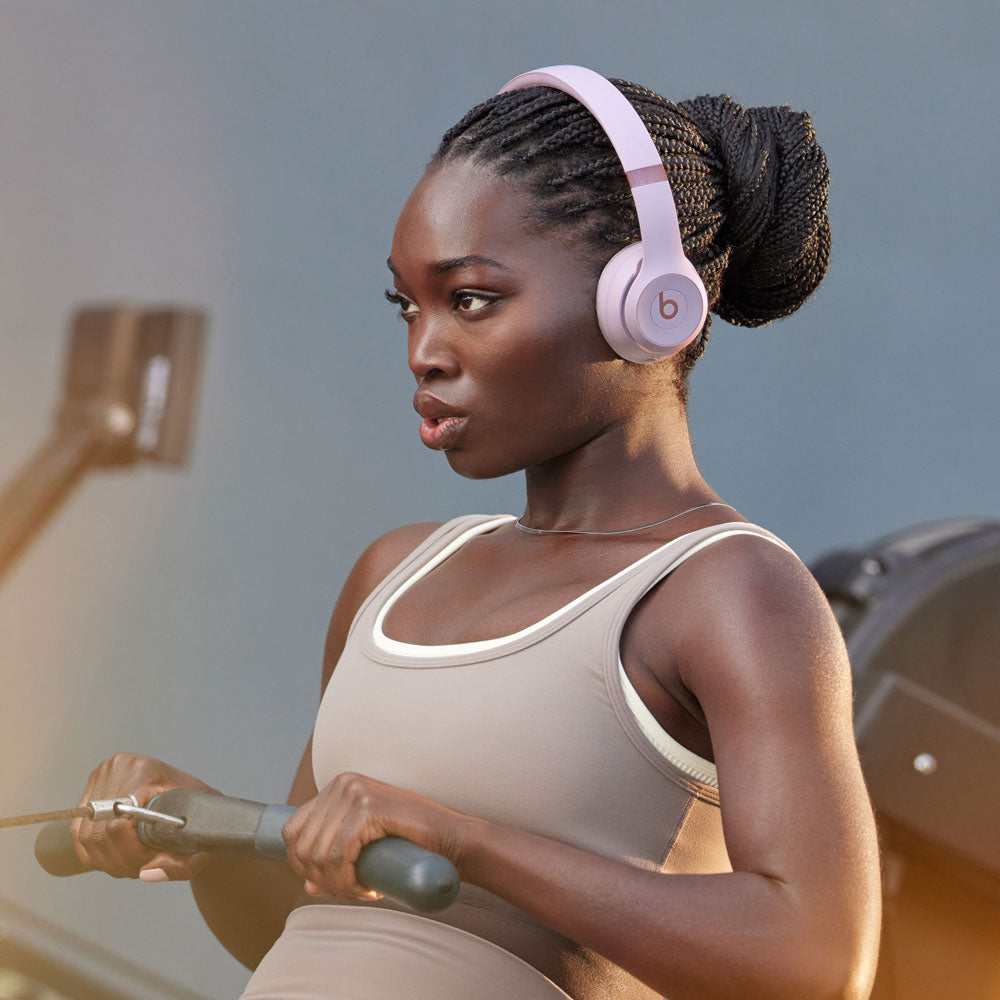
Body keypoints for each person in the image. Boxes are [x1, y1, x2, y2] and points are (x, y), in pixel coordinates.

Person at [71, 67, 882, 1000]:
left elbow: (817, 962)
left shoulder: (729, 589)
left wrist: (469, 842)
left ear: (648, 301)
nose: (424, 349)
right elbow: (300, 925)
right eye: (407, 306)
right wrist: (198, 827)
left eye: (471, 300)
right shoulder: (395, 573)